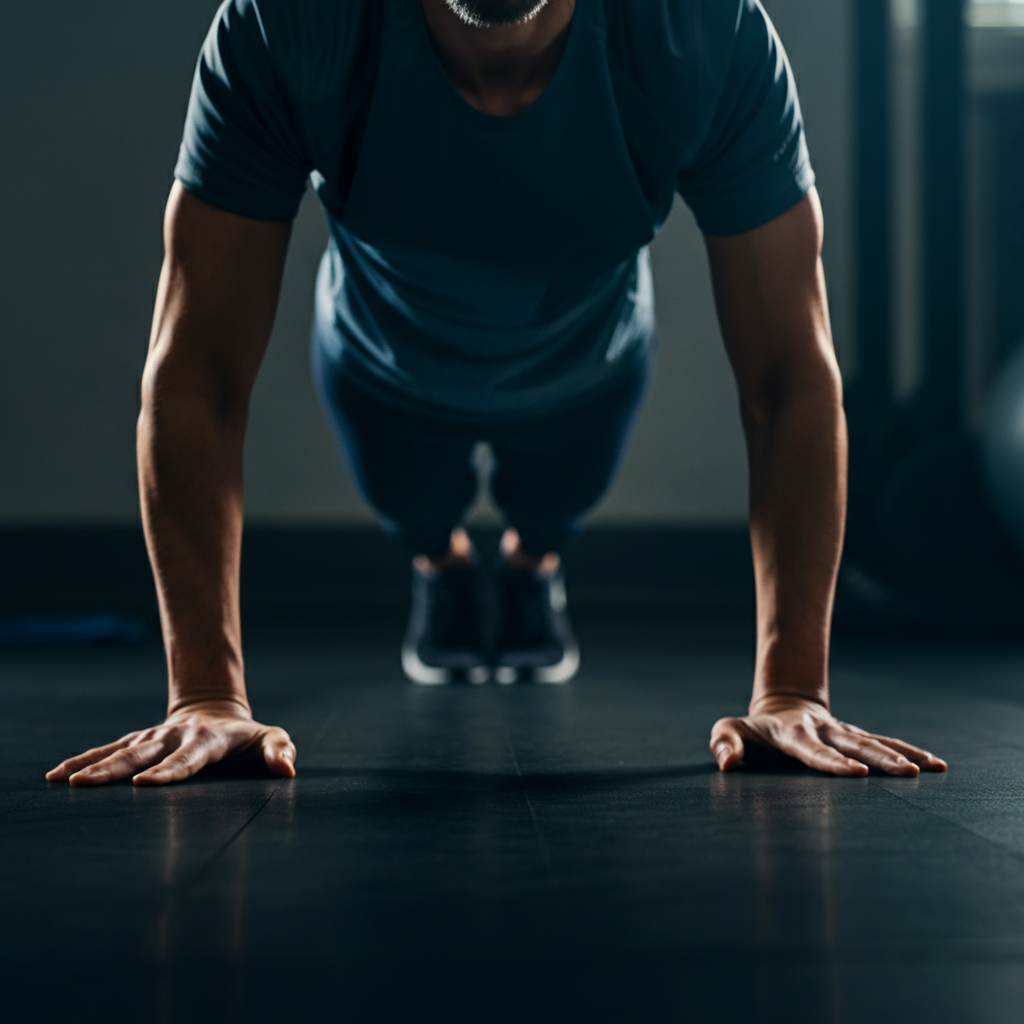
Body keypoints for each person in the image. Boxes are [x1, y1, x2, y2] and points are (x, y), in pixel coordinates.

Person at [46, 0, 947, 787]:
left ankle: (528, 570)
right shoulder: (288, 25)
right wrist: (205, 692)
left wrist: (793, 690)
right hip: (380, 368)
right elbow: (196, 372)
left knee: (551, 510)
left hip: (589, 368)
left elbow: (790, 375)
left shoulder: (706, 32)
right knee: (419, 514)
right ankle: (442, 566)